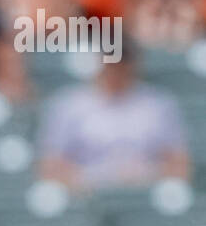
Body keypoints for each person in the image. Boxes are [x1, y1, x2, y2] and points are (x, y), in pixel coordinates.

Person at [36, 39, 190, 191]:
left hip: (146, 194)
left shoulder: (159, 105)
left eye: (122, 62)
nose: (116, 69)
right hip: (86, 197)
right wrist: (89, 181)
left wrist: (150, 176)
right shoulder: (69, 105)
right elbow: (51, 167)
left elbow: (178, 163)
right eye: (111, 62)